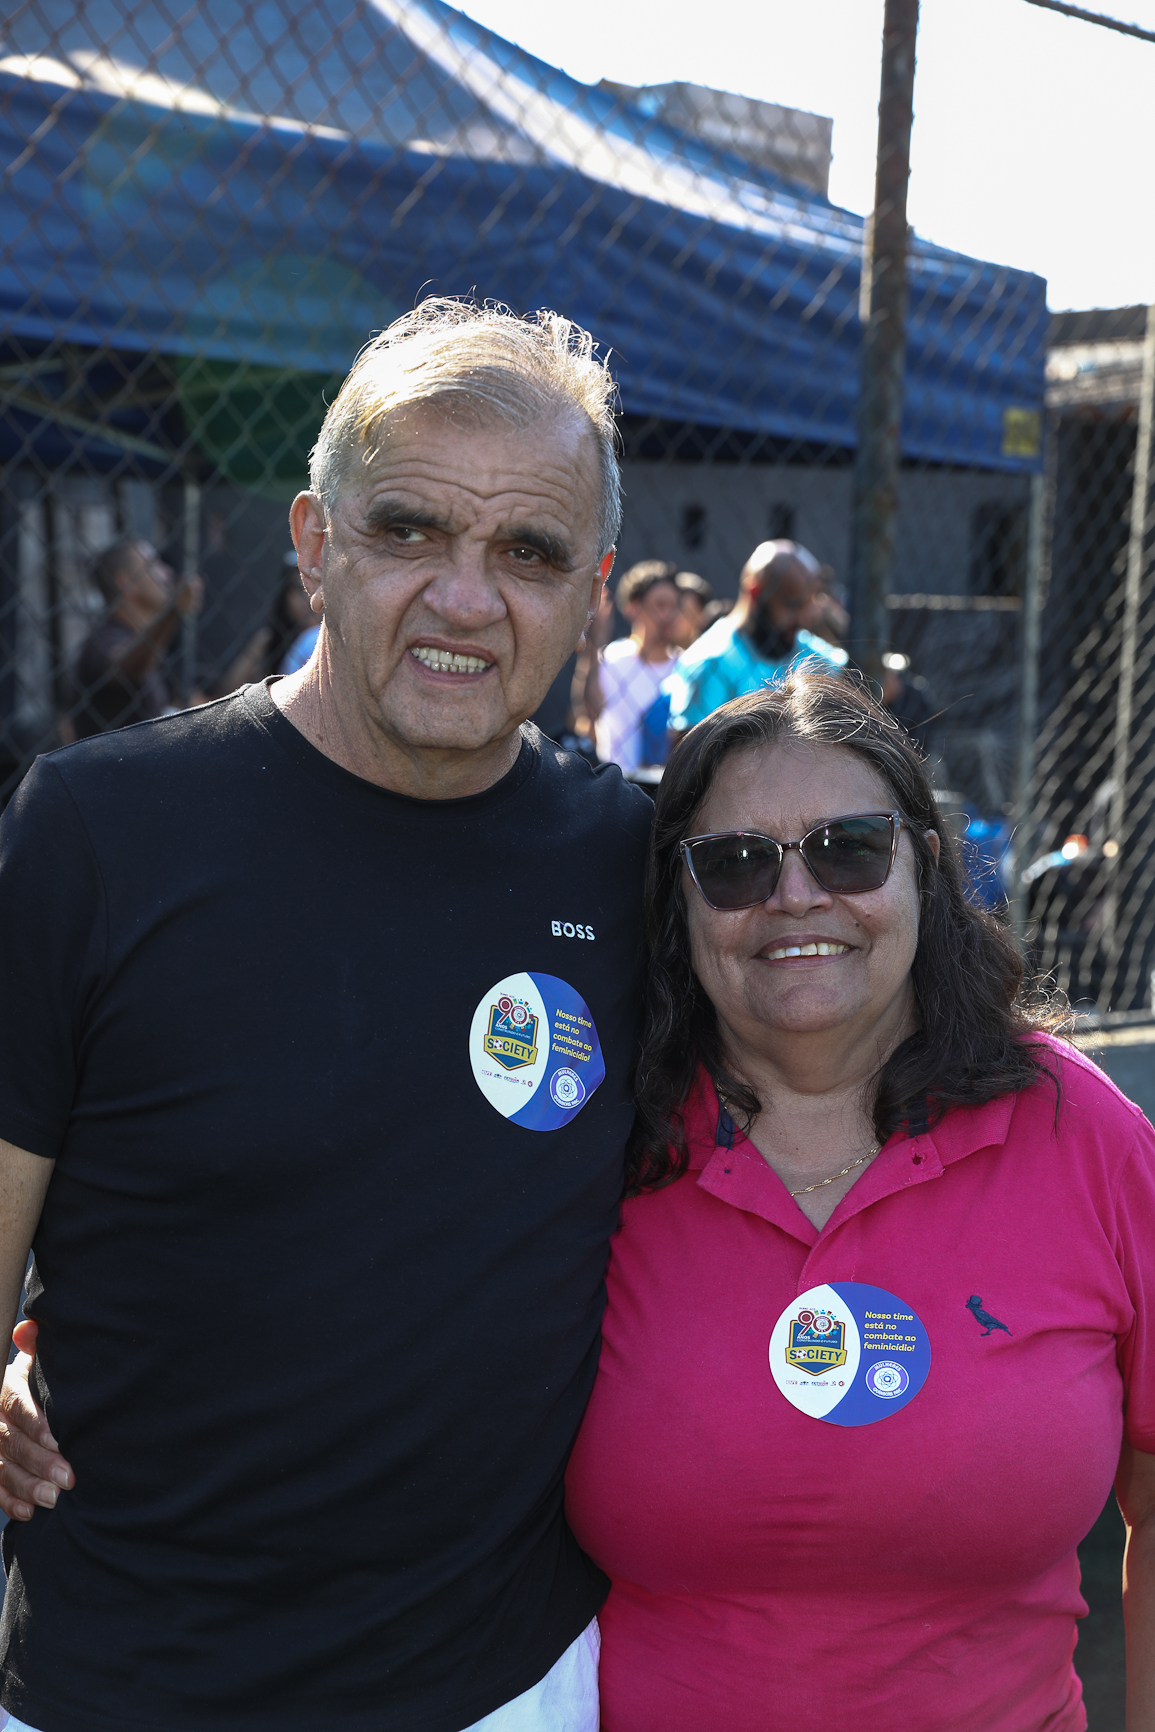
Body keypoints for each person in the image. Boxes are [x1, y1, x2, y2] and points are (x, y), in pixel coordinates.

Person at [0, 300, 653, 1732]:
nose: (466, 597)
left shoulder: (638, 863)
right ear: (312, 546)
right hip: (129, 1688)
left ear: (587, 595)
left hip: (507, 1685)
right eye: (408, 530)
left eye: (527, 553)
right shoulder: (100, 833)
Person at [563, 674, 1155, 1731]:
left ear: (924, 864)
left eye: (847, 848)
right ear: (679, 901)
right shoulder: (592, 1145)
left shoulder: (1081, 1132)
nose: (796, 897)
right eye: (735, 864)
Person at [662, 539, 844, 737]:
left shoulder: (818, 657)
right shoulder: (709, 662)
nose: (803, 619)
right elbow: (687, 757)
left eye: (808, 604)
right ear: (756, 592)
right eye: (792, 605)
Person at [69, 538, 203, 737]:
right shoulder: (105, 638)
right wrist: (173, 610)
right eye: (154, 565)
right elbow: (126, 667)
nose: (167, 573)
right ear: (126, 582)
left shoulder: (147, 642)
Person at [584, 560, 681, 772]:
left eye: (674, 607)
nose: (669, 615)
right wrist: (596, 639)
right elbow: (588, 712)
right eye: (660, 605)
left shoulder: (685, 666)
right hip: (617, 780)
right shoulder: (611, 659)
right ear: (634, 607)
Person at [671, 570, 713, 649]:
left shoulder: (710, 654)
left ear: (701, 617)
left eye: (685, 613)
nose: (674, 616)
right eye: (672, 609)